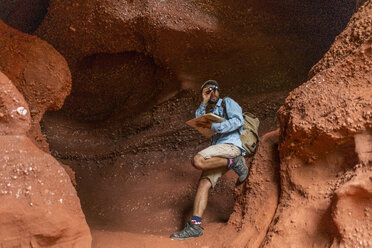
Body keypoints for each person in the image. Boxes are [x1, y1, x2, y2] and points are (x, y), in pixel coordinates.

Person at [170, 80, 248, 240]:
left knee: (197, 160)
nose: (212, 93)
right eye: (208, 91)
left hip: (231, 147)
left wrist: (216, 126)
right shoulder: (210, 111)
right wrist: (203, 102)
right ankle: (195, 226)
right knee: (204, 184)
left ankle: (235, 162)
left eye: (214, 90)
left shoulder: (228, 102)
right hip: (220, 151)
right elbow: (199, 121)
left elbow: (238, 121)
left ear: (219, 91)